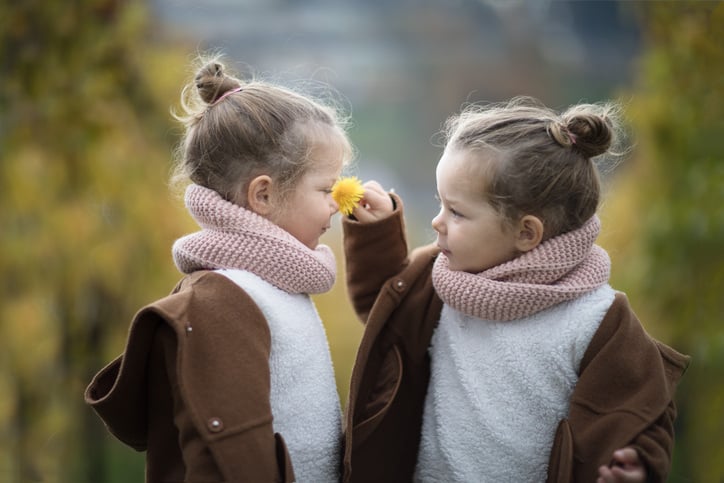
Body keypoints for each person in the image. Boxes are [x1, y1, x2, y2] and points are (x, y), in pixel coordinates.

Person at [340, 97, 689, 482]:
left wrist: (639, 463)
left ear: (526, 233)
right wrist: (376, 234)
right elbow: (383, 316)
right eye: (441, 205)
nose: (438, 222)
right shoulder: (440, 279)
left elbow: (644, 409)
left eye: (457, 212)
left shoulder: (595, 317)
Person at [85, 56, 353, 482]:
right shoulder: (226, 299)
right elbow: (222, 458)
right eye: (326, 188)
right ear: (263, 195)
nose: (339, 203)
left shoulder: (275, 285)